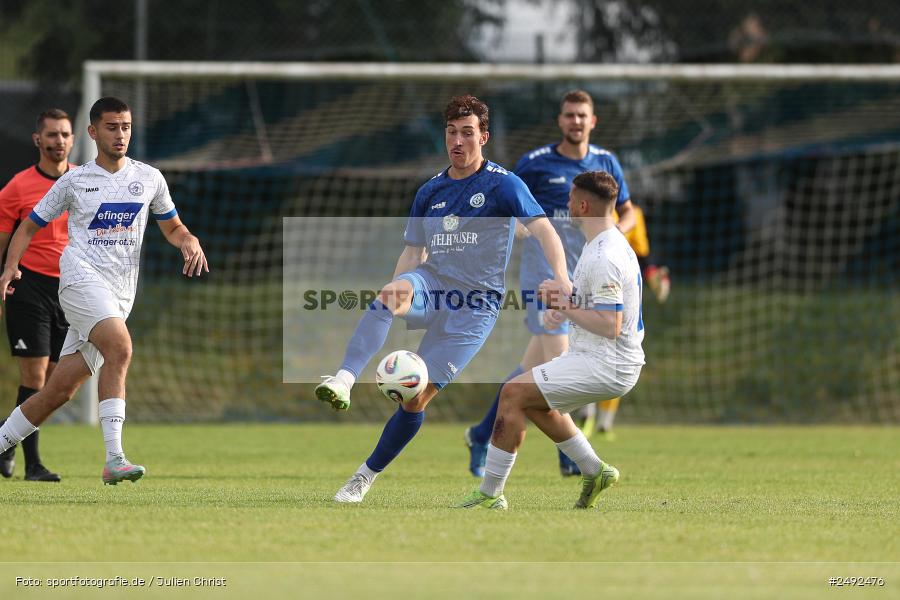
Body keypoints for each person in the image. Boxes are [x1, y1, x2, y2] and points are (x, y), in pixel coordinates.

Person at [314, 94, 571, 504]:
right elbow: (413, 252)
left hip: (475, 308)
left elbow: (544, 231)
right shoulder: (430, 191)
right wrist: (396, 301)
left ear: (483, 137)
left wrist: (561, 277)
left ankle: (363, 477)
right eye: (451, 132)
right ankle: (343, 379)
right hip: (432, 284)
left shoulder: (505, 184)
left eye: (467, 133)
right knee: (389, 292)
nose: (458, 141)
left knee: (415, 399)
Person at [0, 96, 208, 485]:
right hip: (79, 280)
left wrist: (188, 239)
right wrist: (11, 267)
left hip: (119, 295)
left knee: (58, 391)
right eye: (112, 127)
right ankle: (115, 458)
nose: (120, 134)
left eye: (126, 126)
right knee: (122, 348)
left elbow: (172, 226)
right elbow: (28, 226)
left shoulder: (149, 179)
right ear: (94, 133)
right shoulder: (75, 181)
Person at [463, 89, 638, 478]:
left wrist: (614, 237)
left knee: (529, 371)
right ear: (560, 120)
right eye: (569, 115)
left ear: (593, 121)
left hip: (590, 281)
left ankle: (479, 434)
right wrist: (520, 228)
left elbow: (628, 213)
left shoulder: (606, 162)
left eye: (582, 115)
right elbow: (503, 202)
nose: (575, 121)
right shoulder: (537, 163)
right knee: (563, 364)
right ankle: (573, 460)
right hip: (545, 281)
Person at [456, 170, 645, 510]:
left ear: (583, 205)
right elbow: (597, 308)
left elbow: (610, 325)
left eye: (570, 199)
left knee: (513, 393)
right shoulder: (600, 242)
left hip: (607, 363)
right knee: (530, 399)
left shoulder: (605, 256)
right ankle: (594, 470)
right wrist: (565, 304)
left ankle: (489, 493)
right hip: (597, 355)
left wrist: (564, 305)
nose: (566, 204)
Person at [0, 109, 75, 482]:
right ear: (37, 140)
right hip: (28, 286)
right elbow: (3, 238)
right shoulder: (17, 187)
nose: (58, 141)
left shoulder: (84, 181)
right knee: (34, 377)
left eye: (64, 134)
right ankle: (33, 465)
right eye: (51, 135)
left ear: (74, 139)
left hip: (72, 290)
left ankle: (5, 435)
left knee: (60, 385)